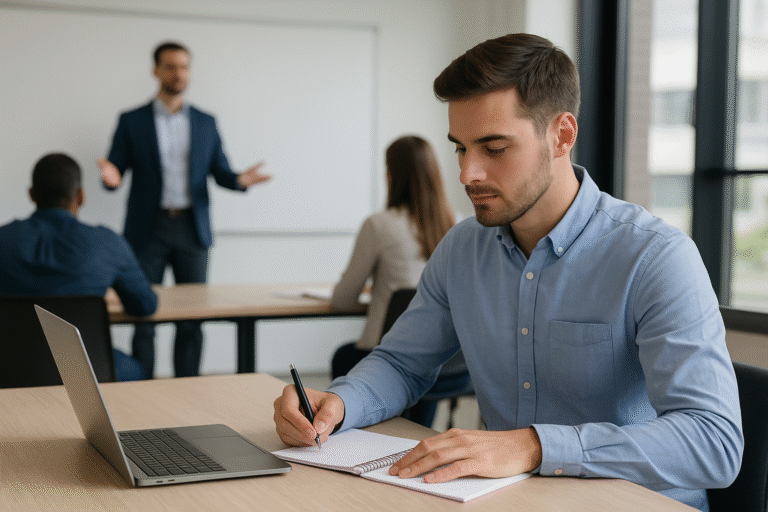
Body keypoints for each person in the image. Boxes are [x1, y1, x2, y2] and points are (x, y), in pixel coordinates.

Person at [274, 33, 743, 511]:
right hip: (501, 500)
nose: (467, 174)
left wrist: (534, 445)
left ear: (562, 135)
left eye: (494, 149)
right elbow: (400, 363)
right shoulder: (462, 248)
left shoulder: (655, 257)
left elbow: (713, 442)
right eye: (460, 148)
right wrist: (340, 404)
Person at [97, 41, 271, 379]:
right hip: (147, 228)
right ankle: (142, 388)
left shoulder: (206, 122)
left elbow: (222, 172)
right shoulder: (132, 120)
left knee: (192, 318)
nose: (179, 74)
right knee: (143, 316)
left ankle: (188, 385)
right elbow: (114, 169)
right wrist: (111, 179)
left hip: (192, 229)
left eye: (185, 67)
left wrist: (240, 180)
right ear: (156, 71)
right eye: (172, 66)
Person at [329, 135, 461, 427]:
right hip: (455, 366)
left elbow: (342, 300)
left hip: (394, 357)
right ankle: (419, 431)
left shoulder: (380, 225)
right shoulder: (460, 226)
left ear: (392, 175)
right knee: (427, 364)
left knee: (343, 357)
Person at [0, 153, 157, 381]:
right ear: (81, 196)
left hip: (10, 368)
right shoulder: (107, 243)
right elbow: (145, 305)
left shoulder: (3, 239)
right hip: (88, 371)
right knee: (132, 368)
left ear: (32, 194)